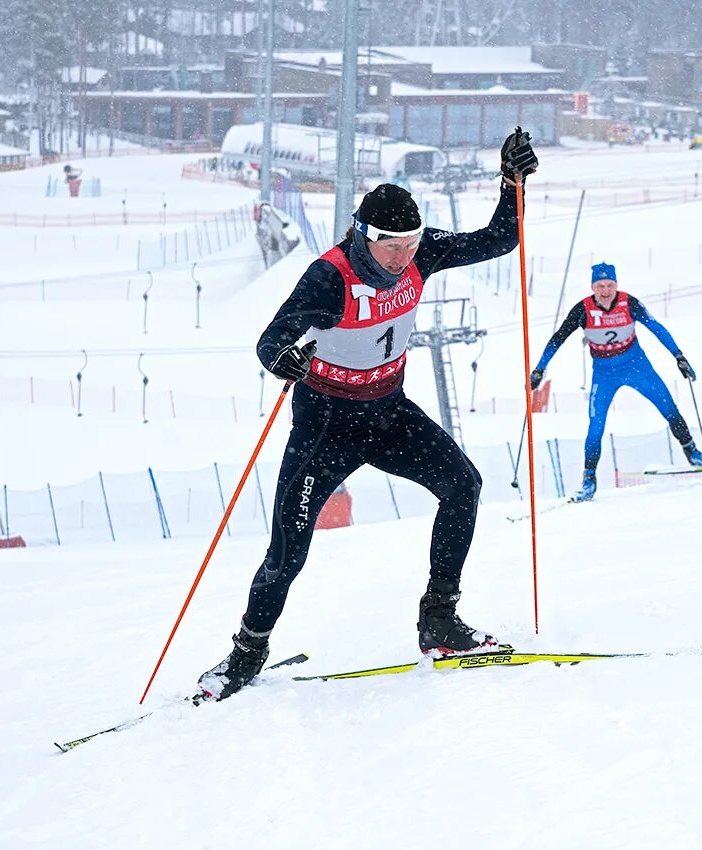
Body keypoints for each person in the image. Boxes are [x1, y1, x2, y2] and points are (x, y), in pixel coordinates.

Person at [196, 128, 540, 701]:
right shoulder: (330, 276)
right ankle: (245, 655)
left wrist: (512, 183)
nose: (404, 255)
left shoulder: (421, 253)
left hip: (388, 413)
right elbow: (270, 340)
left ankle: (440, 622)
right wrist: (284, 358)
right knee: (289, 548)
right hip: (325, 424)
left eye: (412, 244)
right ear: (364, 235)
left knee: (463, 485)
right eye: (392, 246)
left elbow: (500, 240)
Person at [529, 263, 702, 502]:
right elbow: (558, 337)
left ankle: (693, 453)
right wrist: (539, 368)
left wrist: (678, 356)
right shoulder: (583, 309)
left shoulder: (629, 303)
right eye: (600, 286)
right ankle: (588, 480)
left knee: (669, 407)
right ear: (592, 287)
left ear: (616, 285)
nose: (605, 290)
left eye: (609, 285)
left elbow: (656, 328)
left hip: (636, 366)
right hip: (604, 373)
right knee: (595, 427)